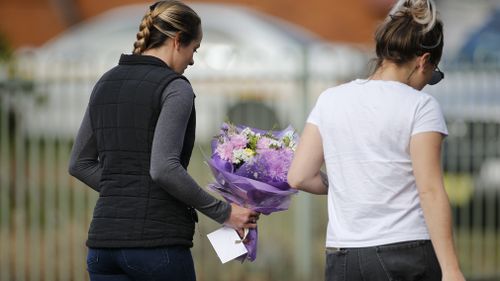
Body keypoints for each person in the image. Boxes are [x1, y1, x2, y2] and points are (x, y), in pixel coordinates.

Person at [68, 1, 259, 280]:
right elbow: (164, 168)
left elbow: (79, 164)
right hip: (156, 247)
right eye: (194, 49)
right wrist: (224, 212)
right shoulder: (174, 88)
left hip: (102, 248)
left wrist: (125, 189)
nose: (192, 60)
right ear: (177, 40)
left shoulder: (105, 82)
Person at [287, 0, 466, 280]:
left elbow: (298, 176)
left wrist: (354, 181)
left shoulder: (330, 99)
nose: (427, 82)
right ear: (423, 61)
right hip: (405, 252)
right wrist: (451, 269)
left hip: (343, 255)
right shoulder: (421, 106)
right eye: (433, 75)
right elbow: (429, 190)